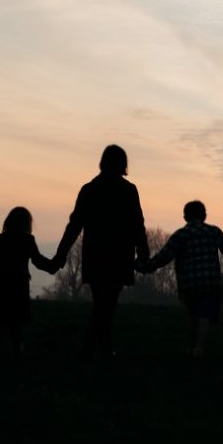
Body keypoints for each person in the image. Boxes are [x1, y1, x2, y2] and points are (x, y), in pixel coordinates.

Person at [53, 145, 149, 358]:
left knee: (102, 302)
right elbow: (137, 225)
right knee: (107, 304)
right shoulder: (128, 190)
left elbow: (74, 225)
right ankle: (96, 348)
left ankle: (99, 348)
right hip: (119, 255)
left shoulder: (89, 189)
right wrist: (144, 255)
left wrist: (61, 254)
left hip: (95, 255)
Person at [142, 200, 223, 357]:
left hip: (189, 283)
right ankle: (198, 348)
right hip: (210, 283)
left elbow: (164, 257)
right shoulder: (213, 232)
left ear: (185, 216)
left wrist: (145, 266)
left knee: (192, 316)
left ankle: (190, 348)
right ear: (204, 215)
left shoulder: (180, 235)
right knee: (204, 316)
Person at [0, 206, 58, 356]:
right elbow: (38, 261)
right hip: (18, 288)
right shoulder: (27, 240)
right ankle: (16, 352)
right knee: (16, 325)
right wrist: (54, 265)